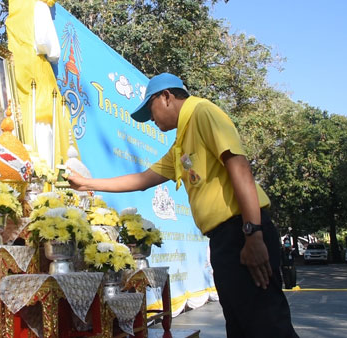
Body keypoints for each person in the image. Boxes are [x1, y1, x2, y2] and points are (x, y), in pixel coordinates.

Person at [67, 73, 298, 337]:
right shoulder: (181, 144)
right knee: (241, 325)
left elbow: (240, 167)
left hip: (242, 233)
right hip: (225, 240)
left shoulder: (202, 112)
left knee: (267, 325)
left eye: (150, 110)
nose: (151, 119)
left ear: (166, 96)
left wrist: (253, 233)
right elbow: (142, 179)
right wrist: (86, 184)